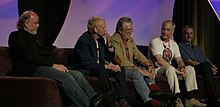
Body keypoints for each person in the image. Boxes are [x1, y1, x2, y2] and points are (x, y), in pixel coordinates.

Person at [8, 10, 117, 107]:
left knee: (77, 74)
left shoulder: (33, 39)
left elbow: (40, 53)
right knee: (65, 77)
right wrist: (51, 65)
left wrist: (51, 50)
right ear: (26, 23)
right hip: (30, 69)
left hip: (41, 66)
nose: (38, 26)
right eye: (35, 23)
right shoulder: (16, 36)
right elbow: (29, 56)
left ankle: (94, 98)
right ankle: (87, 104)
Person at [110, 17, 172, 107]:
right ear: (120, 30)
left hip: (131, 67)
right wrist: (138, 69)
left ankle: (154, 89)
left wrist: (148, 64)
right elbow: (121, 60)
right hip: (121, 68)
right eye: (128, 30)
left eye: (131, 29)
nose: (130, 32)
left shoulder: (130, 39)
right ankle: (149, 101)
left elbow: (138, 54)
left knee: (146, 68)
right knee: (136, 73)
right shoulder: (114, 40)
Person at [70, 16, 131, 107]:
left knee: (120, 69)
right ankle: (111, 100)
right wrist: (107, 66)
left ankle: (122, 99)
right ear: (95, 29)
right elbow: (87, 63)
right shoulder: (84, 40)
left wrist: (109, 45)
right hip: (84, 69)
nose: (105, 30)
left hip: (97, 67)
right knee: (102, 70)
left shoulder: (101, 40)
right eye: (103, 28)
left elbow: (109, 58)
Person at [148, 20, 207, 107]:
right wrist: (176, 70)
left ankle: (189, 99)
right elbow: (159, 60)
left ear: (172, 31)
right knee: (170, 68)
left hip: (170, 69)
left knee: (190, 68)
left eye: (168, 30)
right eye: (163, 29)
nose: (165, 32)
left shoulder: (174, 44)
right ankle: (176, 99)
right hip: (157, 69)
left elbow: (179, 60)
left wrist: (182, 68)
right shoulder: (155, 42)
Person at [179, 25, 219, 106]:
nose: (189, 35)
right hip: (193, 68)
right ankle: (213, 96)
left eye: (191, 33)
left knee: (212, 66)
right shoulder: (181, 46)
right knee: (206, 66)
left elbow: (206, 59)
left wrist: (213, 67)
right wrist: (207, 66)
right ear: (183, 34)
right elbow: (189, 61)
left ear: (193, 35)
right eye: (187, 33)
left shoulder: (197, 47)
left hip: (205, 67)